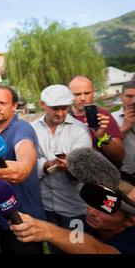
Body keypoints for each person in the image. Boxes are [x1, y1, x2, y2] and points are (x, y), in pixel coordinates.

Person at [0, 86, 45, 254]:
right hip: (4, 220)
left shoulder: (22, 128)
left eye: (2, 103)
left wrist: (24, 167)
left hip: (25, 221)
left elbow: (25, 148)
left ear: (14, 106)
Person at [31, 85, 92, 252]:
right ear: (42, 104)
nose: (60, 113)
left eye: (64, 108)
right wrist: (45, 165)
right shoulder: (32, 129)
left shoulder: (80, 131)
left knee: (78, 247)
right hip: (46, 207)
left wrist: (71, 169)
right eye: (55, 109)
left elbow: (85, 171)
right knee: (55, 248)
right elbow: (28, 162)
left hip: (74, 208)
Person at [10, 206, 135, 254]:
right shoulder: (82, 221)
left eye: (105, 210)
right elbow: (75, 242)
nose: (92, 212)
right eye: (92, 203)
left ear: (130, 221)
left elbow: (98, 251)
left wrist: (46, 230)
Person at [68, 75, 124, 166]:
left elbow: (119, 156)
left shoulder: (103, 116)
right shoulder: (62, 116)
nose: (82, 98)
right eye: (77, 94)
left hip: (102, 174)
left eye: (87, 93)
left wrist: (102, 137)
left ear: (93, 93)